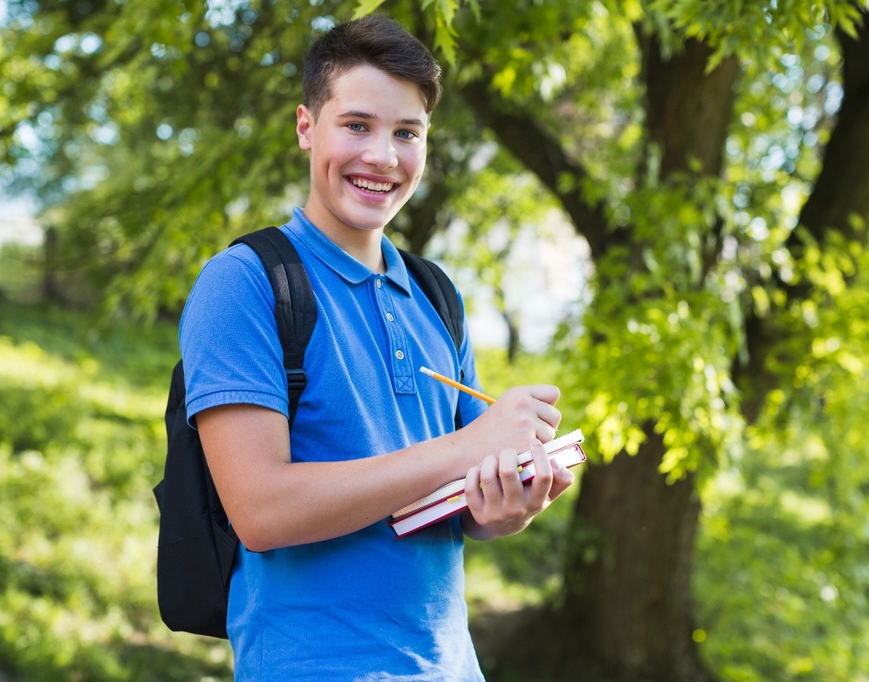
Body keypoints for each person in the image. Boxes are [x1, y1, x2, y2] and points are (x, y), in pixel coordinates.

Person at [179, 14, 574, 681]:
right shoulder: (246, 281)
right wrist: (461, 448)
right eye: (357, 125)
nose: (383, 158)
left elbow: (455, 501)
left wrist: (507, 504)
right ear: (308, 127)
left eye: (406, 133)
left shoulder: (436, 294)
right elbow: (260, 510)